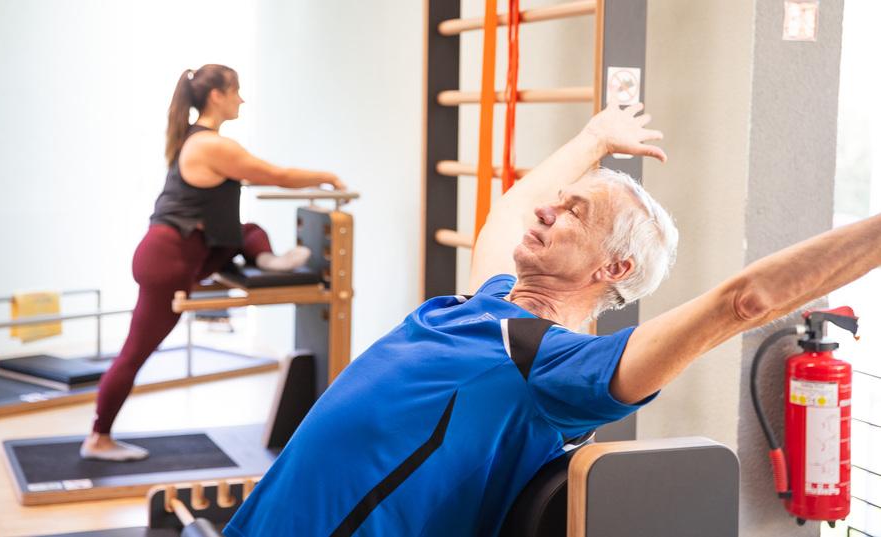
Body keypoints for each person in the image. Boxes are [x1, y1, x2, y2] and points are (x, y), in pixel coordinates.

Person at [222, 100, 881, 536]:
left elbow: (742, 301)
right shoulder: (487, 300)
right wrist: (594, 138)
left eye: (573, 213)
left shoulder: (559, 364)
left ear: (614, 268)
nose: (545, 212)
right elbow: (515, 202)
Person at [80, 64, 345, 461]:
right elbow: (273, 174)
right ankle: (98, 437)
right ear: (216, 96)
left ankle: (268, 258)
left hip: (191, 251)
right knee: (135, 352)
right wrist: (327, 177)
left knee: (248, 229)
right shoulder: (212, 145)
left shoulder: (200, 141)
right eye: (236, 91)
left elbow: (257, 179)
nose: (241, 99)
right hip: (168, 259)